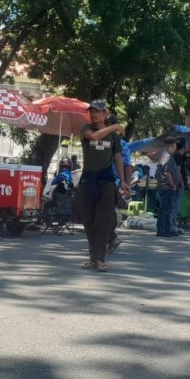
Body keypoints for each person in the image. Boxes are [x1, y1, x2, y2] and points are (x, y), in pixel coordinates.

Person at [78, 99, 129, 272]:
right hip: (88, 180)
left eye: (97, 111)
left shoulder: (113, 137)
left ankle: (99, 259)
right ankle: (93, 258)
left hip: (106, 181)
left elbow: (118, 158)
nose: (93, 114)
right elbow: (95, 136)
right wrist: (115, 126)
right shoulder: (86, 129)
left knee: (103, 220)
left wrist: (122, 181)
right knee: (88, 220)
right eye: (91, 111)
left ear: (105, 113)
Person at [106, 114, 134, 252]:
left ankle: (111, 238)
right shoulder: (100, 140)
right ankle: (110, 238)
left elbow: (127, 165)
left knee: (106, 210)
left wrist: (126, 185)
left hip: (114, 183)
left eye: (108, 123)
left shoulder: (122, 144)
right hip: (100, 181)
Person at [154, 137, 179, 238]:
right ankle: (162, 230)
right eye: (175, 144)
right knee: (165, 209)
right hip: (167, 187)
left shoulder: (165, 155)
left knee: (168, 209)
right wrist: (172, 184)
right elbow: (167, 172)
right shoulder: (167, 156)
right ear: (172, 145)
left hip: (165, 187)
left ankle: (168, 229)